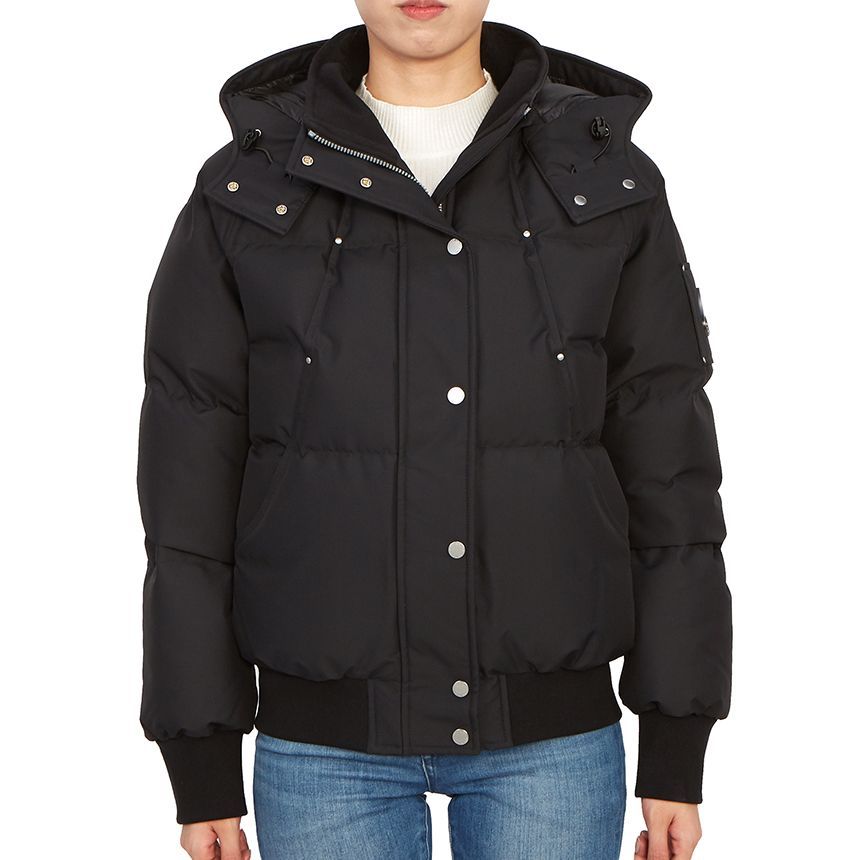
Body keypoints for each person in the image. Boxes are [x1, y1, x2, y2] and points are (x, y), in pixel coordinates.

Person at [136, 1, 732, 858]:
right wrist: (201, 764)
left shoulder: (602, 179)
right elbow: (187, 487)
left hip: (549, 742)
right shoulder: (249, 187)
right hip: (323, 751)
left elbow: (670, 467)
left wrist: (676, 744)